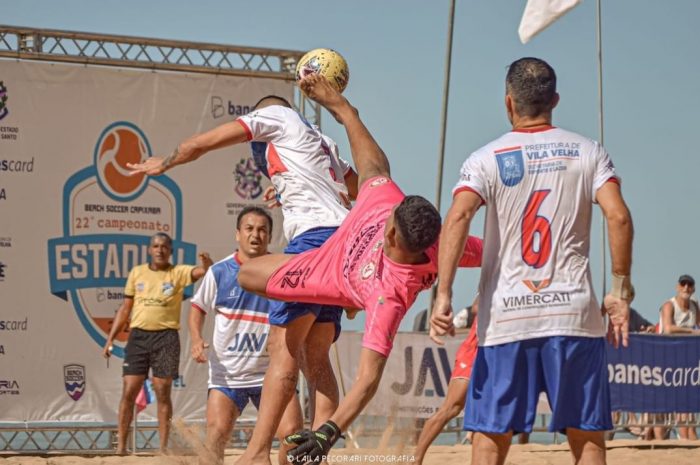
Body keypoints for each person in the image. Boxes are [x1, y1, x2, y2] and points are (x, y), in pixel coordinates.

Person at [230, 74, 483, 465]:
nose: (385, 220)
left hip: (327, 271)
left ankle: (259, 453)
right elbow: (373, 163)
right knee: (308, 348)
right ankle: (292, 448)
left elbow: (367, 380)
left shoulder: (389, 298)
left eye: (388, 225)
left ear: (394, 236)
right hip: (333, 247)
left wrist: (329, 434)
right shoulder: (394, 207)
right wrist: (343, 109)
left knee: (280, 339)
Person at [126, 94, 360, 457]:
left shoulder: (275, 116)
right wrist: (290, 191)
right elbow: (353, 187)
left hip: (313, 241)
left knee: (281, 347)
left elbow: (200, 144)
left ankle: (255, 453)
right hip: (343, 243)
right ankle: (318, 452)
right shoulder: (322, 141)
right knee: (317, 356)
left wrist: (165, 163)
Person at [431, 57, 634, 465]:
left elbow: (457, 216)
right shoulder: (588, 151)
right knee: (587, 435)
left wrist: (444, 294)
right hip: (573, 315)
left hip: (506, 316)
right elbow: (618, 216)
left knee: (490, 435)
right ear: (555, 100)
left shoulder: (485, 158)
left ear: (508, 103)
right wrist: (619, 289)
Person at [189, 206, 302, 465]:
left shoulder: (281, 270)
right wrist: (196, 339)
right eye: (249, 229)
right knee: (216, 435)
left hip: (271, 373)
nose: (256, 235)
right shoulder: (219, 272)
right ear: (237, 234)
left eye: (263, 230)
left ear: (270, 236)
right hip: (227, 376)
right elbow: (197, 309)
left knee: (293, 436)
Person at [102, 232, 212, 455]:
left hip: (166, 338)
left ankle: (163, 448)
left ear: (170, 251)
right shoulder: (137, 273)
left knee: (163, 391)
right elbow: (125, 308)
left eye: (164, 246)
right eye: (156, 246)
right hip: (138, 337)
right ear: (149, 250)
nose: (160, 250)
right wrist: (110, 338)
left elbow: (204, 272)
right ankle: (121, 448)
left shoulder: (178, 272)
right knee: (129, 390)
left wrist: (207, 263)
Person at [414, 297, 479, 465]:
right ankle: (416, 459)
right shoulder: (495, 279)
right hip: (473, 352)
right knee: (451, 408)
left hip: (496, 354)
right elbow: (475, 307)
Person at [658, 274, 699, 440]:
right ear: (677, 287)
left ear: (694, 288)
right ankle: (658, 443)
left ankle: (688, 441)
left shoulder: (695, 306)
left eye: (689, 285)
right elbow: (668, 329)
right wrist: (692, 332)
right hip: (664, 359)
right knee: (660, 407)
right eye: (683, 284)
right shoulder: (669, 305)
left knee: (686, 404)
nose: (686, 288)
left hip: (687, 362)